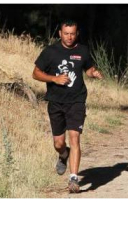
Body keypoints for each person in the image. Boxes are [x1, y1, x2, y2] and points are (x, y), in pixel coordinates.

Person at [33, 20, 103, 193]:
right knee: (58, 143)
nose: (69, 37)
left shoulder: (83, 50)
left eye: (72, 33)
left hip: (77, 101)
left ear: (77, 33)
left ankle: (73, 179)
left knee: (75, 138)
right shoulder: (50, 52)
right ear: (60, 34)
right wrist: (54, 79)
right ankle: (64, 155)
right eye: (66, 33)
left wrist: (93, 73)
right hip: (56, 102)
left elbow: (88, 68)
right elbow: (35, 73)